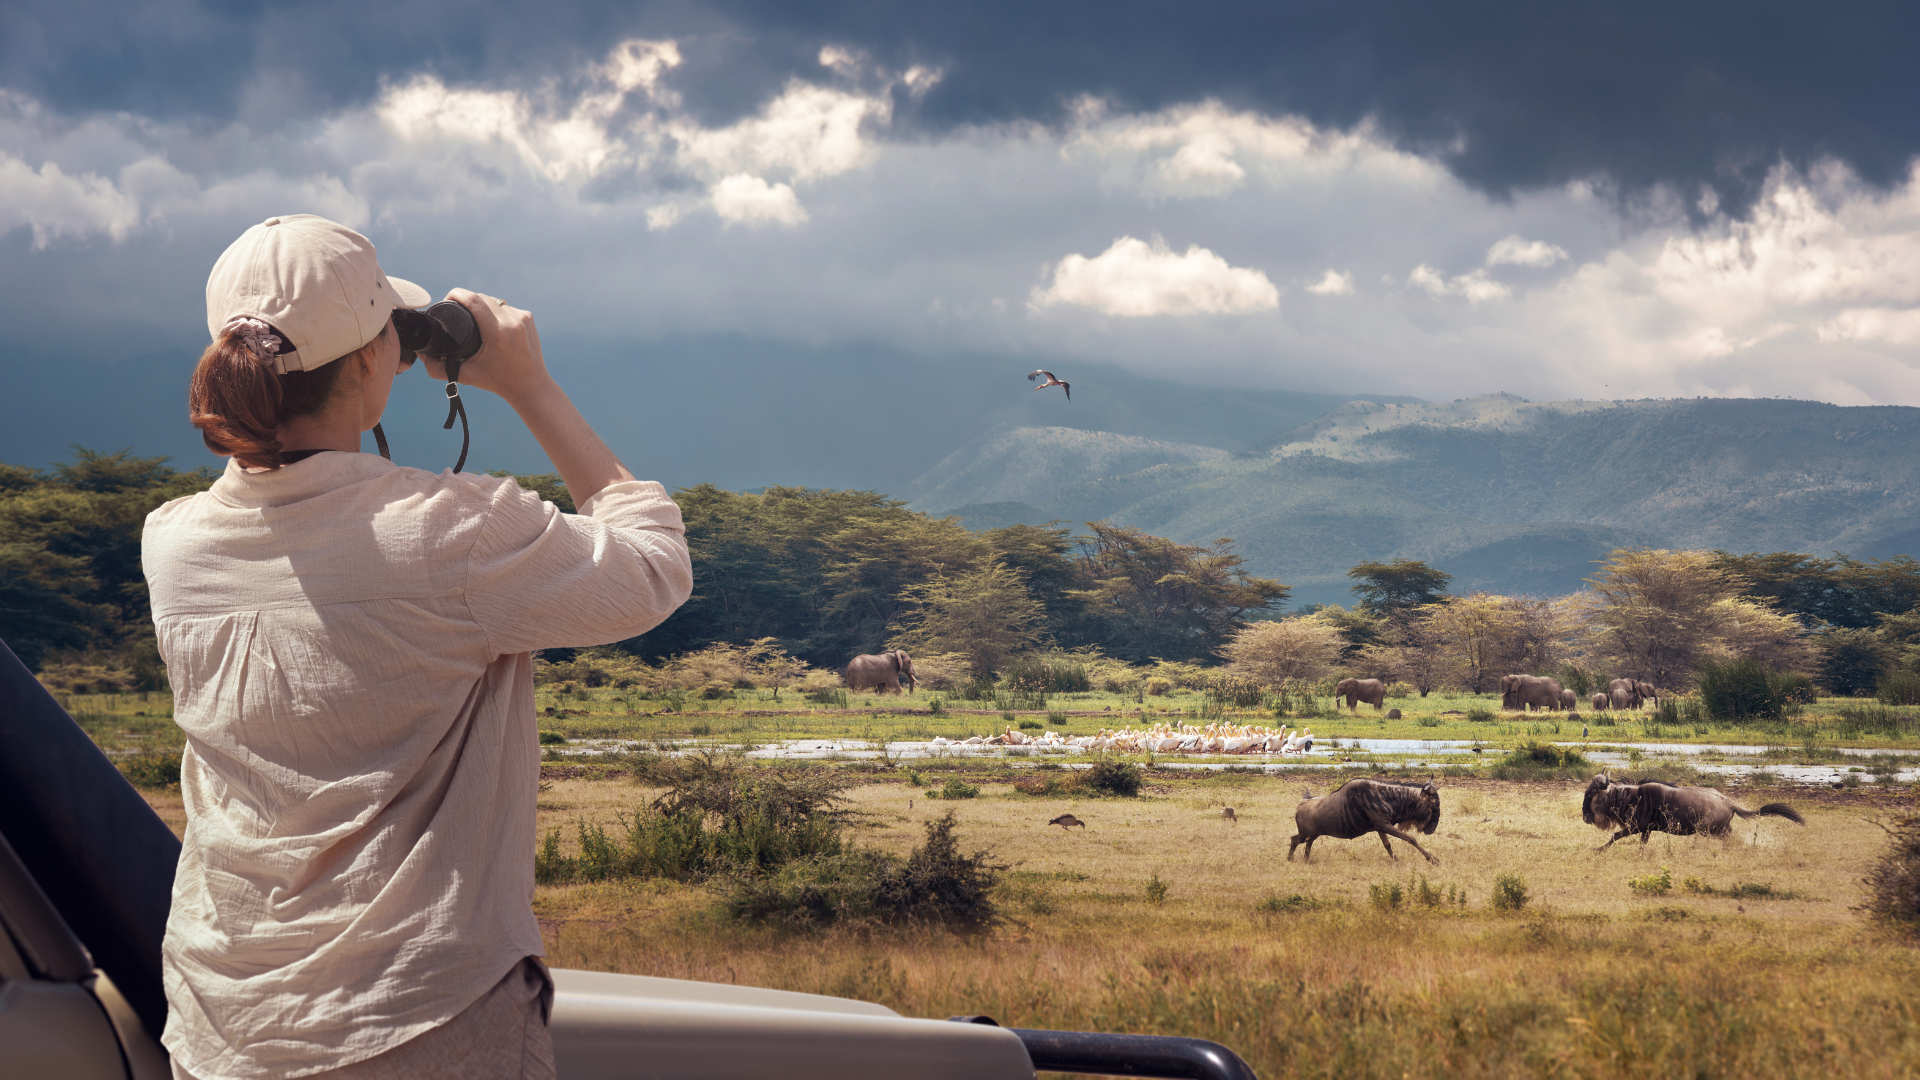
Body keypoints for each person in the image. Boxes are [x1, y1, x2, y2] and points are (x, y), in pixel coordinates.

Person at [143, 215, 693, 1080]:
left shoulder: (172, 544)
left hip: (225, 1026)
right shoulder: (451, 532)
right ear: (371, 362)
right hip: (418, 1018)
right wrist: (528, 384)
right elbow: (654, 569)